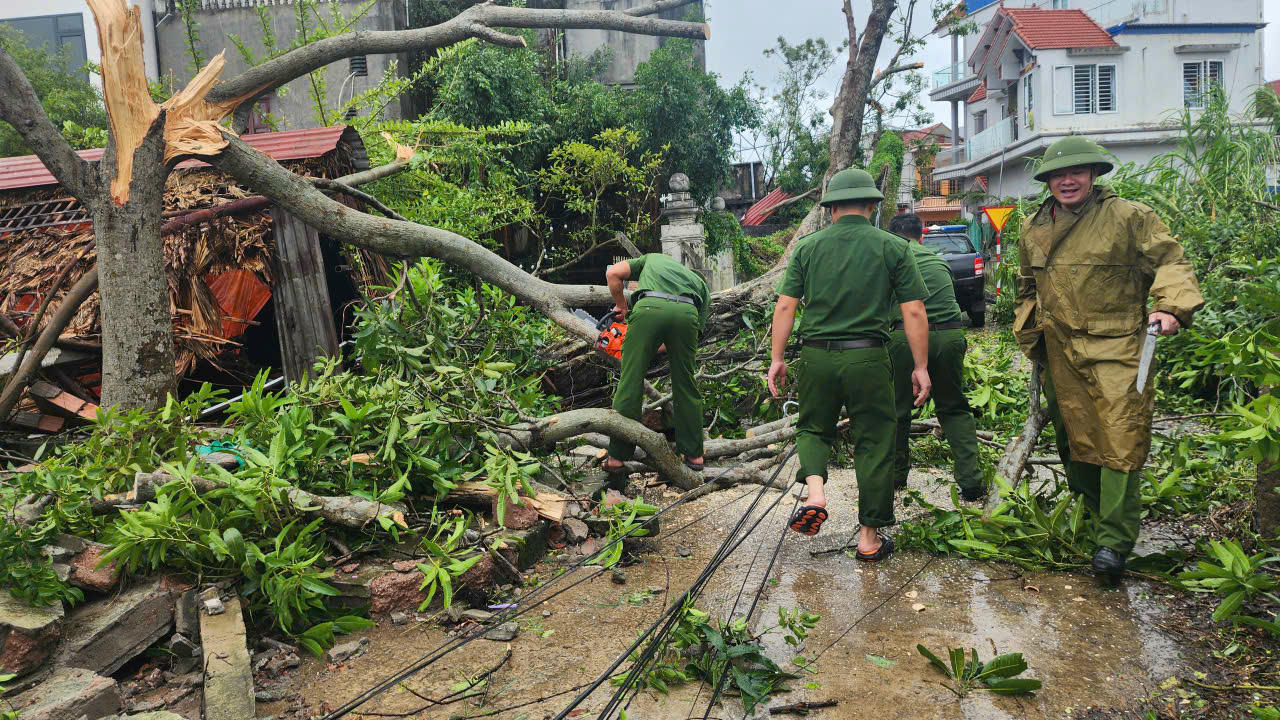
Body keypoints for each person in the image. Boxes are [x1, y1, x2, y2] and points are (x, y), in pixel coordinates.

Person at [1014, 136, 1204, 581]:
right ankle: (1097, 522)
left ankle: (1113, 544)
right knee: (1076, 442)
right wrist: (1030, 333)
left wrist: (1169, 307)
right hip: (1060, 352)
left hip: (1119, 348)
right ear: (1047, 182)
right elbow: (1027, 286)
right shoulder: (1033, 227)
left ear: (1094, 175)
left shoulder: (1130, 217)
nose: (1067, 180)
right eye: (1058, 174)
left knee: (1119, 444)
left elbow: (1172, 263)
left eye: (1076, 172)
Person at [767, 167, 932, 561]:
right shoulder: (893, 247)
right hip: (869, 356)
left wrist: (776, 358)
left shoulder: (808, 248)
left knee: (812, 427)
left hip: (817, 356)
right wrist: (921, 367)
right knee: (875, 439)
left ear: (830, 210)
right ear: (873, 206)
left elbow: (786, 305)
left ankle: (817, 492)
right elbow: (913, 312)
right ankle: (869, 538)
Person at [885, 213, 983, 502]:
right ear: (922, 237)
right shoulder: (938, 260)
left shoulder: (889, 259)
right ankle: (971, 482)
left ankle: (896, 479)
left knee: (897, 410)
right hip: (950, 337)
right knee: (954, 407)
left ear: (892, 236)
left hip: (905, 338)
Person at [604, 253, 711, 473]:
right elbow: (684, 338)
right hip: (686, 314)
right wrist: (653, 343)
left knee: (630, 380)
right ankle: (694, 455)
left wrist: (622, 307)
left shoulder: (650, 259)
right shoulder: (699, 284)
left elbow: (612, 273)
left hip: (648, 309)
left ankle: (617, 456)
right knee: (686, 383)